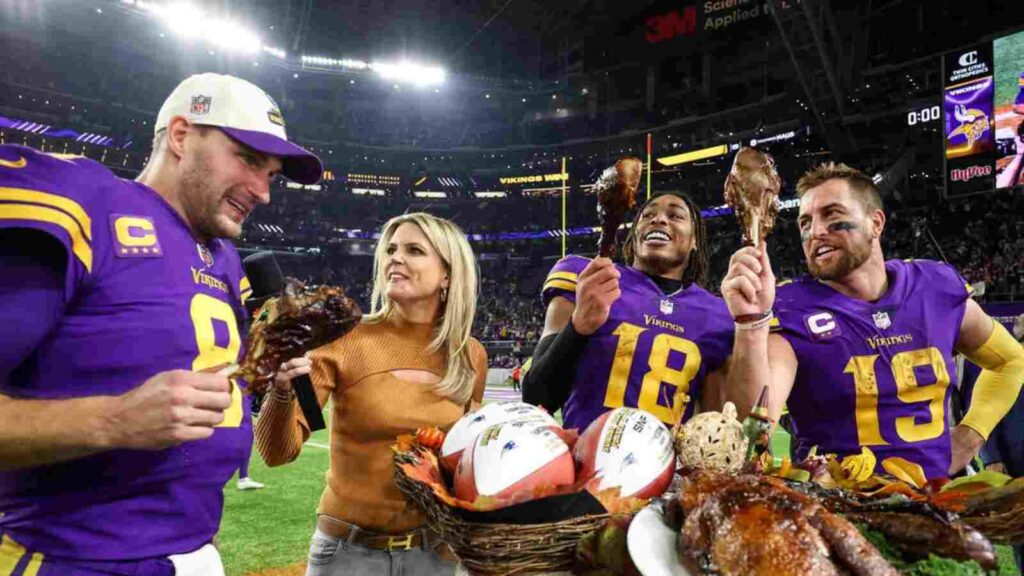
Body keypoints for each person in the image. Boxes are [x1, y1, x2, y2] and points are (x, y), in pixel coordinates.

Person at [0, 72, 321, 575]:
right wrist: (113, 419)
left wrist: (271, 378)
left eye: (272, 174)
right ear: (180, 136)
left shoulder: (226, 260)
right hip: (73, 559)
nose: (263, 192)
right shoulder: (85, 203)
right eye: (249, 159)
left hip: (196, 551)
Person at [722, 162, 1024, 480]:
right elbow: (751, 430)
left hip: (936, 501)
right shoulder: (792, 308)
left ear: (875, 223)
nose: (816, 232)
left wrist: (972, 433)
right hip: (840, 511)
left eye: (832, 215)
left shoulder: (934, 286)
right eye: (805, 222)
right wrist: (751, 324)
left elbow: (1010, 362)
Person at [254, 212, 488, 576]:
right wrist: (281, 391)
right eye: (391, 249)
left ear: (447, 273)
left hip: (437, 552)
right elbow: (276, 453)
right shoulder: (343, 338)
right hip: (349, 554)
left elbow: (465, 461)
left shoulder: (469, 354)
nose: (395, 257)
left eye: (414, 250)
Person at [523, 191, 733, 431]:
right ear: (634, 236)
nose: (659, 220)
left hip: (664, 466)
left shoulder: (717, 316)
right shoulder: (587, 277)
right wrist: (579, 325)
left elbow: (713, 426)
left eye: (675, 215)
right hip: (587, 461)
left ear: (695, 240)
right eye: (648, 215)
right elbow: (535, 398)